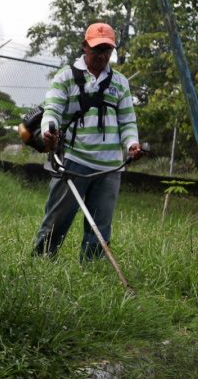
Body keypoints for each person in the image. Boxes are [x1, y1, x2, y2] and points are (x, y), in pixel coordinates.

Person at [32, 22, 144, 261]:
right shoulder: (65, 77)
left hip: (110, 166)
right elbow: (52, 111)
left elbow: (127, 122)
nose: (102, 55)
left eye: (107, 50)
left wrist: (132, 144)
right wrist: (47, 132)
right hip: (73, 161)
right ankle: (40, 263)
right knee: (56, 221)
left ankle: (92, 268)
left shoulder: (120, 83)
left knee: (99, 228)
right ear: (85, 46)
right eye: (97, 49)